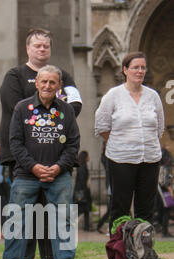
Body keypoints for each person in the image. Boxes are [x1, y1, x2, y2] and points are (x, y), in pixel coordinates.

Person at [0, 28, 82, 259]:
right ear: (28, 48)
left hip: (58, 163)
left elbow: (74, 108)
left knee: (60, 218)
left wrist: (56, 118)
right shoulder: (14, 76)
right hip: (25, 164)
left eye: (46, 45)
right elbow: (16, 124)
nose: (42, 49)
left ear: (59, 84)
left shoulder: (64, 84)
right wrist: (34, 165)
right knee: (21, 217)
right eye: (37, 45)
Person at [95, 51, 164, 233]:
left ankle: (143, 252)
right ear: (125, 70)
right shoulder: (113, 95)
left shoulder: (153, 96)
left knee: (146, 208)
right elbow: (102, 126)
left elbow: (159, 127)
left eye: (143, 67)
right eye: (135, 67)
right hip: (121, 159)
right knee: (120, 208)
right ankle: (120, 255)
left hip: (149, 159)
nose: (140, 71)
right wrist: (122, 142)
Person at [154, 146, 174, 237]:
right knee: (166, 210)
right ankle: (165, 231)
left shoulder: (159, 167)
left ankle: (162, 228)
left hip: (158, 190)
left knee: (161, 210)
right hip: (164, 191)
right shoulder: (166, 167)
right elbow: (166, 182)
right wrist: (171, 192)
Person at [73, 151, 92, 231]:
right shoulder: (82, 167)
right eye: (88, 156)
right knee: (80, 210)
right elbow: (81, 181)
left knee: (86, 210)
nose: (89, 158)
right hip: (82, 192)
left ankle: (87, 227)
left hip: (82, 191)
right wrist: (84, 191)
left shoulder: (82, 166)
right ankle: (69, 224)